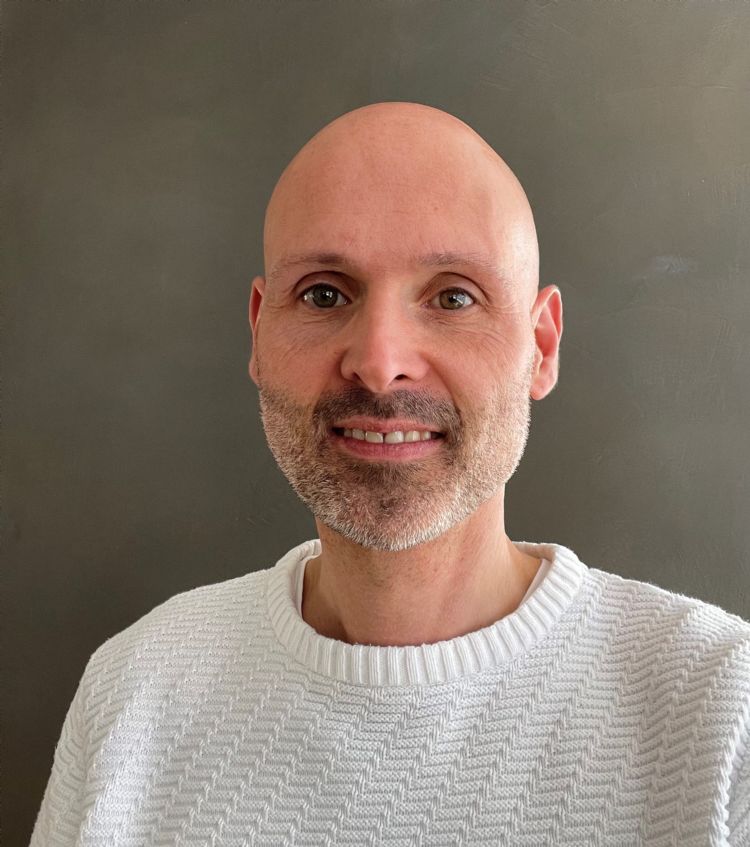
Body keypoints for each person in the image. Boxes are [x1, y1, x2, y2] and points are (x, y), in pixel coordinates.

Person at [31, 101, 749, 846]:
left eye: (454, 296)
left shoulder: (723, 713)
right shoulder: (135, 692)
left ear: (540, 346)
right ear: (259, 332)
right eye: (324, 293)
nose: (379, 362)